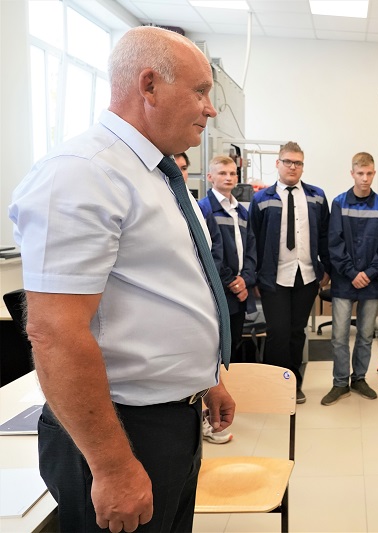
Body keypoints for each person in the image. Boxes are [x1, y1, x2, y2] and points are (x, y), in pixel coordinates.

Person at [8, 26, 236, 533]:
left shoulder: (155, 175)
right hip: (121, 431)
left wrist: (205, 380)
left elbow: (169, 292)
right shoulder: (83, 173)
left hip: (171, 420)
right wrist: (112, 467)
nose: (210, 109)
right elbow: (55, 332)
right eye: (200, 91)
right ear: (149, 85)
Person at [249, 141, 330, 404]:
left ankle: (293, 383)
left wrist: (326, 268)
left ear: (303, 166)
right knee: (277, 332)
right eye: (288, 162)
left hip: (306, 274)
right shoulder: (262, 199)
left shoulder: (316, 196)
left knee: (297, 332)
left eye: (298, 163)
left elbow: (325, 234)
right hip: (273, 277)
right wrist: (255, 275)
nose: (293, 167)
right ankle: (275, 385)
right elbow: (253, 239)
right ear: (278, 163)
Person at [322, 152, 378, 406]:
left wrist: (369, 273)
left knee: (365, 335)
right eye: (360, 173)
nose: (365, 178)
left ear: (374, 173)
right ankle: (340, 382)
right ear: (352, 173)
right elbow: (334, 242)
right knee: (339, 336)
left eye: (369, 173)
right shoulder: (339, 203)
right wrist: (352, 273)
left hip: (371, 282)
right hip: (344, 281)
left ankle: (359, 379)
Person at [197, 155, 256, 445]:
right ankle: (208, 418)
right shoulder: (204, 208)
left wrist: (247, 279)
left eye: (233, 173)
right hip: (219, 293)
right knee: (213, 354)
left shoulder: (241, 211)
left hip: (239, 292)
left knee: (231, 350)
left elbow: (252, 248)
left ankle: (223, 408)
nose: (229, 177)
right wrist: (232, 282)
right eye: (222, 173)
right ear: (210, 177)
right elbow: (209, 255)